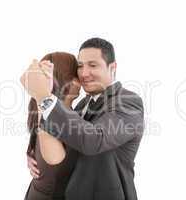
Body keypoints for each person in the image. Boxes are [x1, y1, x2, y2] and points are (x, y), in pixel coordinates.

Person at [21, 38, 144, 200]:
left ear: (112, 67)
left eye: (93, 65)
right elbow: (68, 143)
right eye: (80, 66)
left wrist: (43, 96)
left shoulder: (128, 102)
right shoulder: (81, 105)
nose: (84, 73)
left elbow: (93, 140)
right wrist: (36, 155)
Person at [23, 52, 81, 200]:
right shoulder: (47, 114)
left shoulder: (68, 112)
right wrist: (42, 94)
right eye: (77, 72)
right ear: (73, 81)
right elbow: (54, 159)